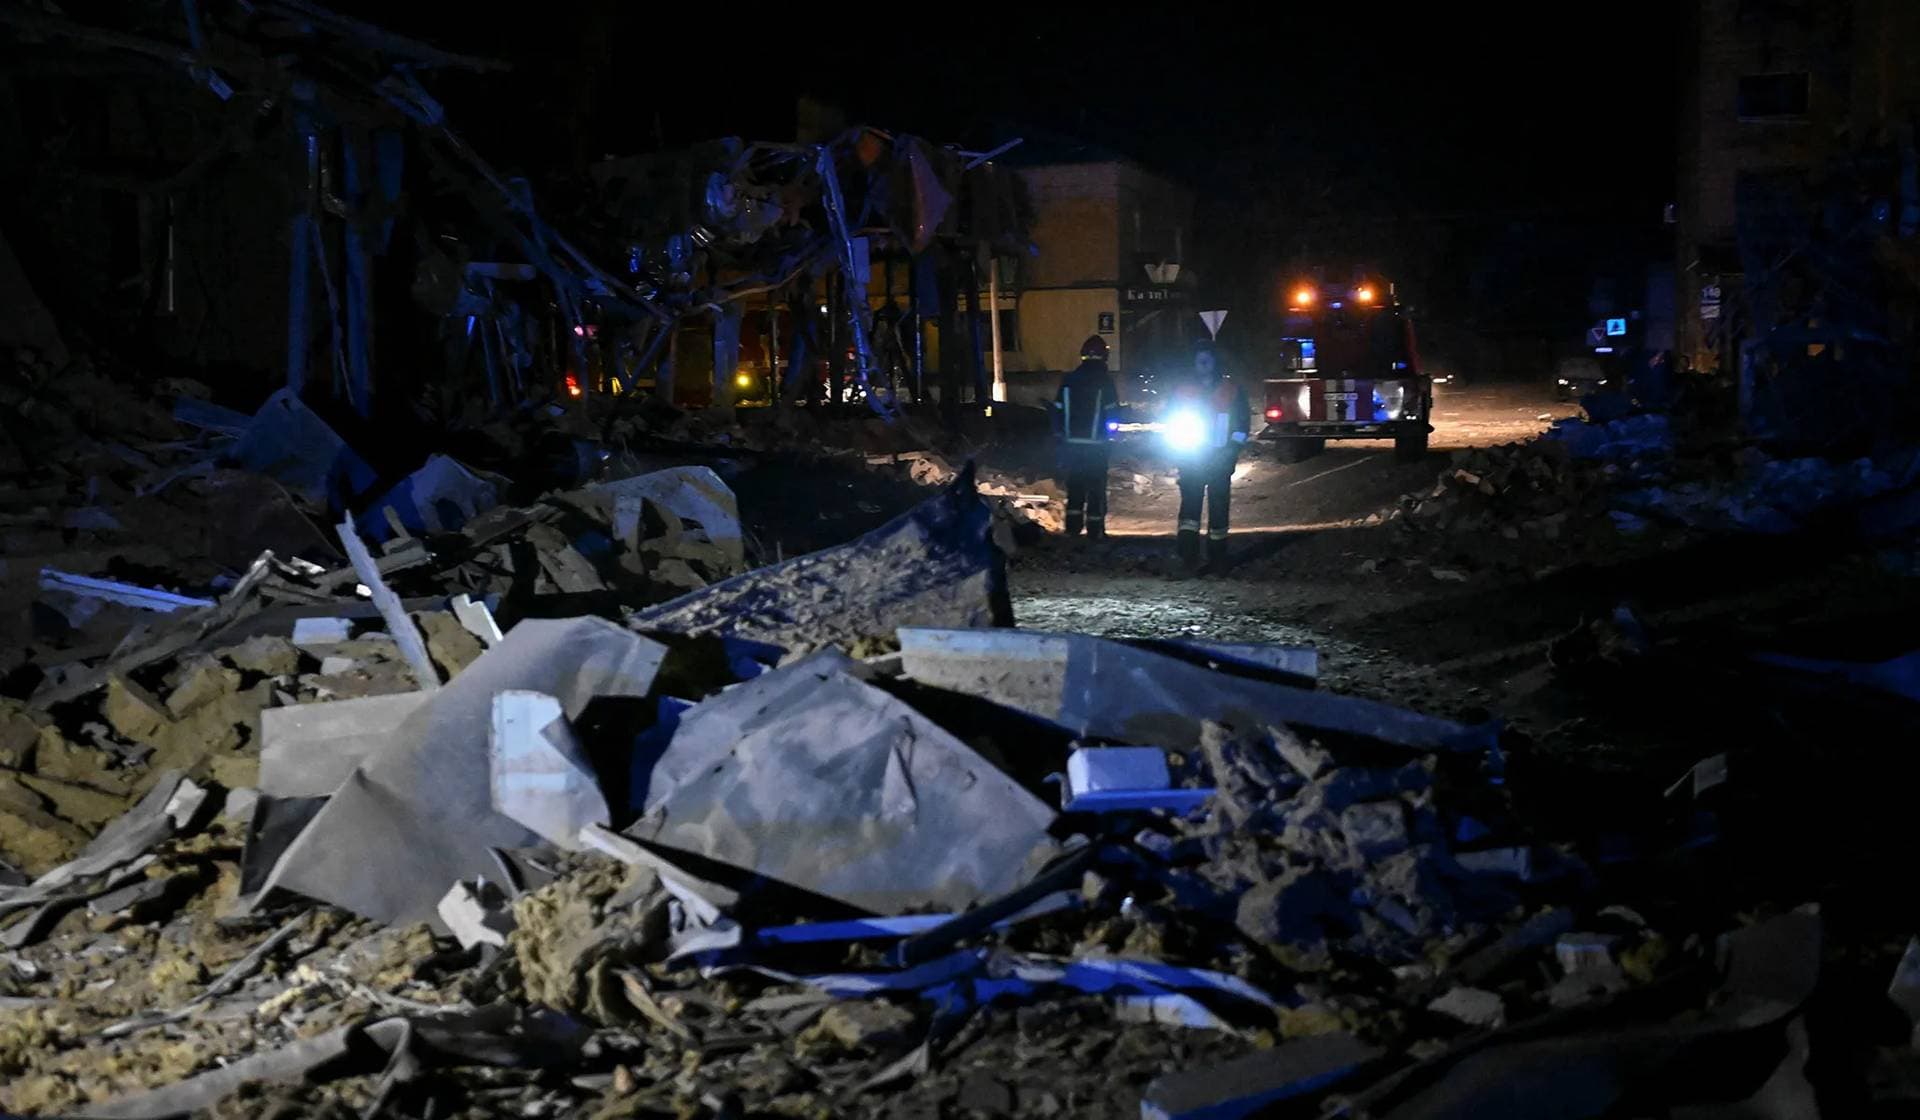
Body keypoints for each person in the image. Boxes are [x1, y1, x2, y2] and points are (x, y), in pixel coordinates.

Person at [1171, 341, 1251, 571]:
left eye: (1207, 359)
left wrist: (1231, 452)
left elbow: (1242, 425)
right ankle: (1187, 556)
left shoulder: (1231, 390)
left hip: (1219, 458)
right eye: (1200, 359)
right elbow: (1170, 420)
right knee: (1190, 508)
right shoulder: (1182, 390)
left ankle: (1217, 558)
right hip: (1191, 457)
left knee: (1218, 507)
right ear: (1194, 363)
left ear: (1214, 362)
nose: (1204, 364)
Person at [1050, 335, 1119, 537]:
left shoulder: (1069, 380)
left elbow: (1057, 410)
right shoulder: (1105, 382)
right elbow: (1113, 412)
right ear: (1105, 357)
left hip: (1072, 445)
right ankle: (1095, 530)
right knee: (1096, 488)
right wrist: (1111, 434)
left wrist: (1059, 434)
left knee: (1075, 487)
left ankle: (1072, 528)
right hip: (1097, 445)